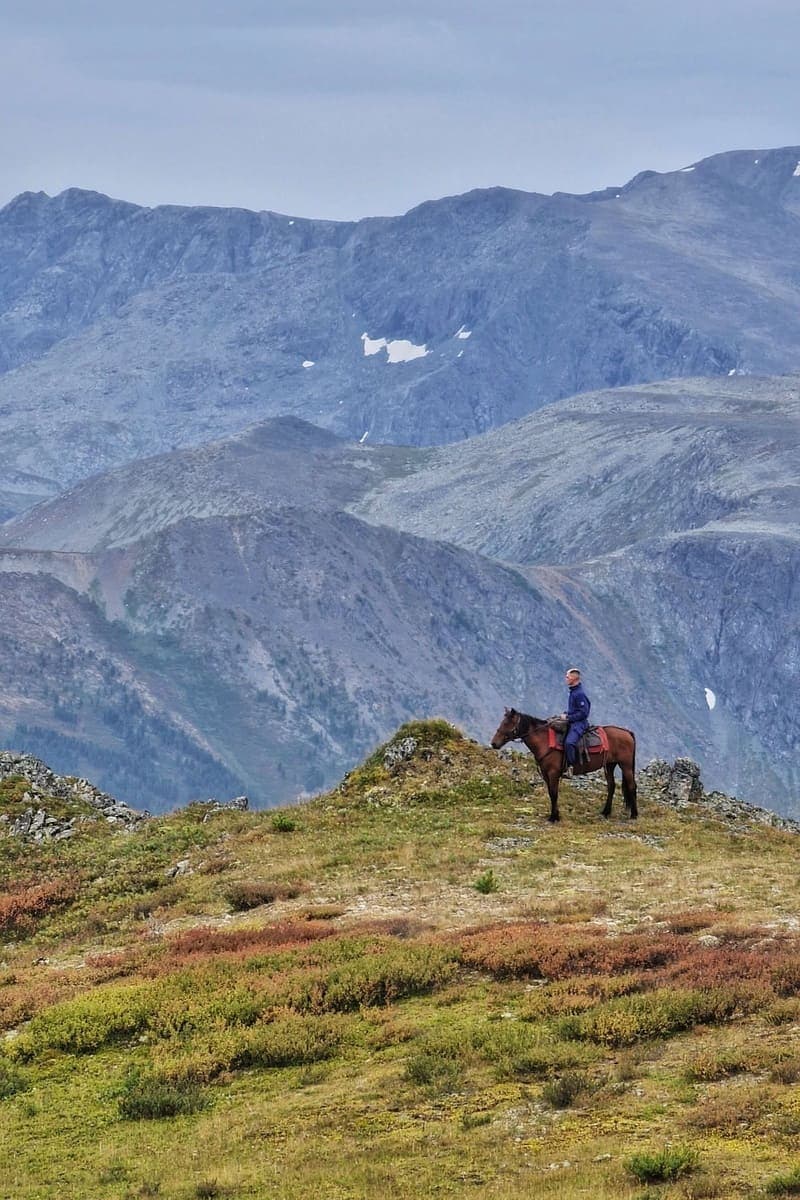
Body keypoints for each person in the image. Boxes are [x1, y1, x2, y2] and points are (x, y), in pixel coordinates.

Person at [561, 667, 590, 775]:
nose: (566, 679)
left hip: (579, 724)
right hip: (573, 721)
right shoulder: (573, 692)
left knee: (569, 743)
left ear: (574, 678)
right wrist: (566, 714)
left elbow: (584, 713)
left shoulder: (579, 694)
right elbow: (574, 710)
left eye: (567, 677)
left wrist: (568, 718)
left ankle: (571, 768)